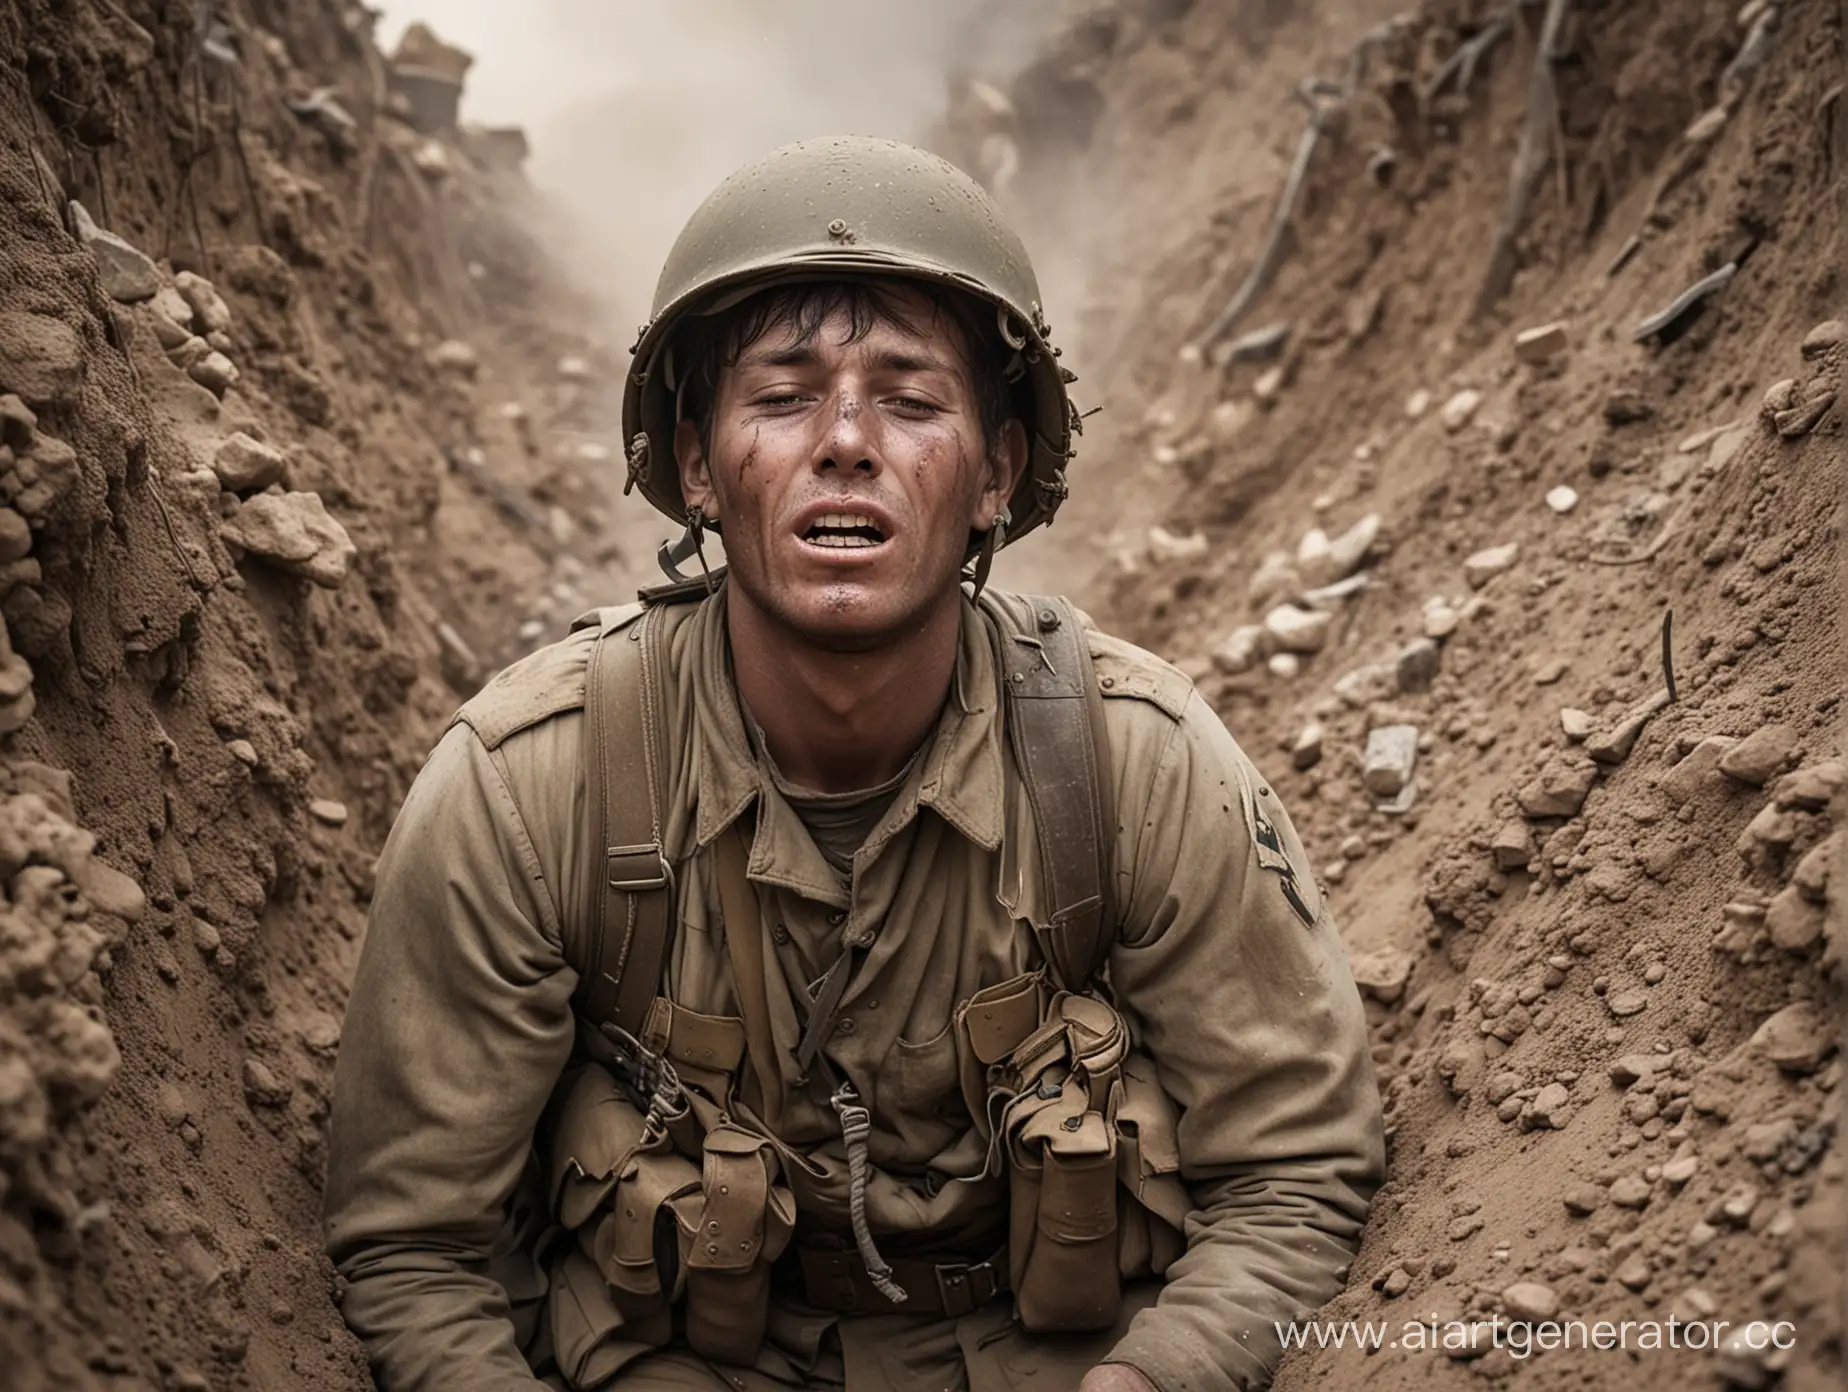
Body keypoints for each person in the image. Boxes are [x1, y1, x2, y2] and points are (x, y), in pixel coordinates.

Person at [324, 135, 1383, 1392]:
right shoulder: (526, 787)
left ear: (995, 472)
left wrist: (1149, 1381)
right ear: (696, 468)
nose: (845, 442)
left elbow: (1294, 1170)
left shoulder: (1130, 762)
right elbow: (417, 1251)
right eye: (780, 397)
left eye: (913, 399)